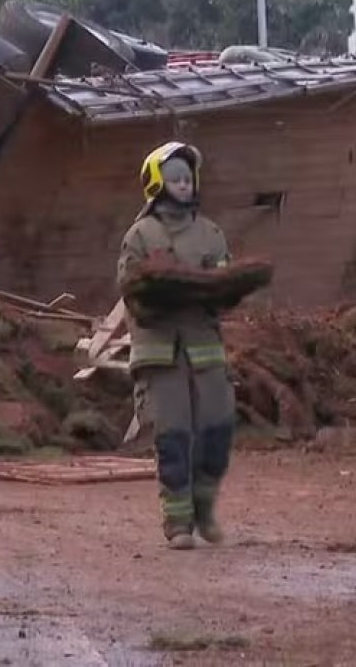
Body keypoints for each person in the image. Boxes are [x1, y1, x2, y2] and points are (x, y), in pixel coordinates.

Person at [117, 142, 234, 550]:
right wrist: (159, 291)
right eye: (175, 179)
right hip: (159, 351)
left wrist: (221, 289)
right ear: (156, 183)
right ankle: (178, 522)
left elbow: (225, 283)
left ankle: (204, 511)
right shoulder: (140, 235)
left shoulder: (211, 233)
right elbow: (131, 292)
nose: (184, 186)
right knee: (174, 436)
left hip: (205, 349)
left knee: (217, 434)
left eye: (188, 179)